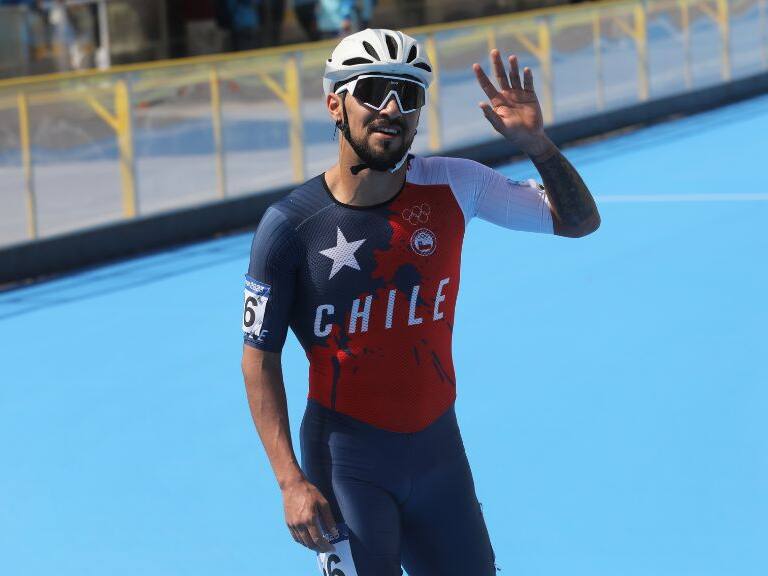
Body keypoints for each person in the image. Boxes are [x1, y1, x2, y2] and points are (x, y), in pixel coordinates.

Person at [241, 28, 600, 575]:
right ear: (335, 103)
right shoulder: (289, 227)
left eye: (408, 95)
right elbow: (258, 358)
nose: (391, 108)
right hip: (345, 466)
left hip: (439, 456)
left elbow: (578, 223)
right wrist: (291, 482)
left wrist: (538, 147)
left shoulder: (455, 186)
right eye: (375, 90)